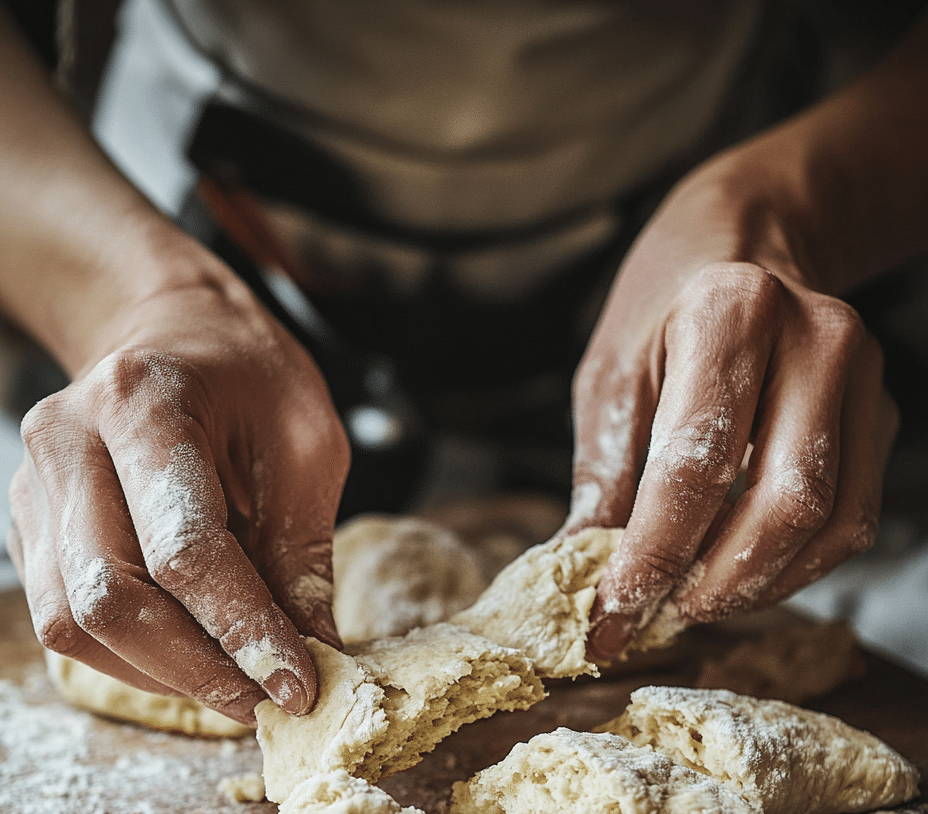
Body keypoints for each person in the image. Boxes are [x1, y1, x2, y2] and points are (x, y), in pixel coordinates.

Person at [2, 0, 927, 726]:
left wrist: (783, 207)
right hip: (166, 218)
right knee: (131, 562)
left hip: (685, 242)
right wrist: (134, 296)